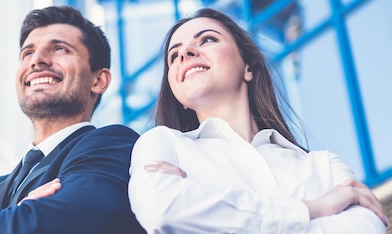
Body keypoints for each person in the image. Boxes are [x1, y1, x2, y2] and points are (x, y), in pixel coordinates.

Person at [128, 8, 388, 233]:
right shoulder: (162, 144)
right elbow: (164, 210)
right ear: (179, 96)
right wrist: (313, 209)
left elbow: (365, 227)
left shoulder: (324, 165)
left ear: (248, 67)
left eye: (207, 39)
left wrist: (207, 212)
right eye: (174, 56)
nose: (185, 53)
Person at [0, 5, 145, 234]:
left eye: (60, 48)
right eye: (27, 53)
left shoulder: (115, 146)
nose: (37, 60)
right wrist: (21, 213)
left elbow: (62, 221)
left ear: (99, 80)